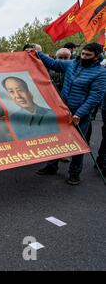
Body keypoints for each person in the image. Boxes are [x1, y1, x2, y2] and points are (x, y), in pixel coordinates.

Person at [35, 43, 106, 185]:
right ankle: (51, 166)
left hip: (80, 115)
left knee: (78, 144)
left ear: (96, 57)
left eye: (88, 55)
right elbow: (54, 63)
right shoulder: (72, 64)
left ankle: (74, 174)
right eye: (83, 53)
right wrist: (37, 53)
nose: (84, 56)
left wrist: (79, 113)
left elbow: (95, 96)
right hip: (63, 111)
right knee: (56, 140)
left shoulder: (101, 73)